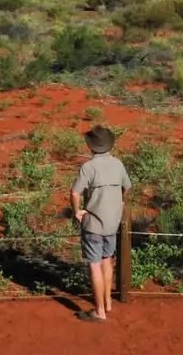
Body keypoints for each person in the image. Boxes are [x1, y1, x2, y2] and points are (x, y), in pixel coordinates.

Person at [70, 124, 131, 322]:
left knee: (95, 265)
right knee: (107, 261)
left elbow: (75, 192)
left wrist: (77, 211)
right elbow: (126, 188)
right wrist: (118, 202)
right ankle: (108, 303)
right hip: (112, 224)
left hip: (94, 225)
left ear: (91, 146)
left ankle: (99, 312)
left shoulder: (88, 167)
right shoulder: (118, 164)